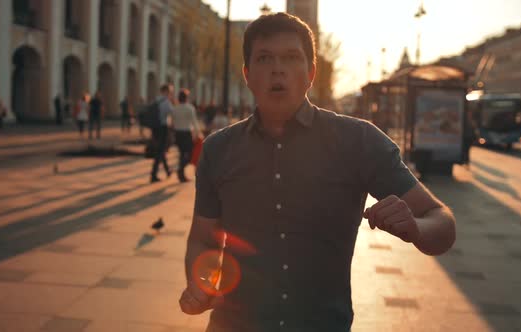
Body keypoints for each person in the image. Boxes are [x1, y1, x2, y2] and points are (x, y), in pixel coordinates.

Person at [179, 13, 456, 332]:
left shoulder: (359, 141)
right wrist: (199, 282)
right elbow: (202, 238)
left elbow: (442, 223)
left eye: (291, 57)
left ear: (311, 73)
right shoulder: (219, 149)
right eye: (264, 58)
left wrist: (416, 228)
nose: (277, 68)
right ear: (247, 74)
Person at [171, 88, 202, 182]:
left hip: (178, 133)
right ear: (186, 98)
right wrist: (198, 133)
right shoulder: (190, 108)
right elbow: (194, 122)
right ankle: (180, 171)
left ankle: (181, 173)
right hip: (186, 133)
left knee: (182, 153)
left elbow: (172, 122)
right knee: (189, 154)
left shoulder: (175, 108)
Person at [150, 84, 174, 183]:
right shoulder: (166, 102)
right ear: (166, 91)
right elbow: (172, 113)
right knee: (160, 150)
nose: (171, 94)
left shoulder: (156, 100)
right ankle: (153, 174)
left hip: (155, 128)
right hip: (163, 128)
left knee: (161, 149)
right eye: (170, 92)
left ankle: (167, 170)